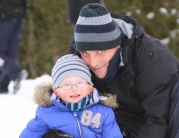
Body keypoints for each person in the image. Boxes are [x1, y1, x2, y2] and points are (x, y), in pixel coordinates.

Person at [69, 3, 179, 138]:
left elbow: (157, 119)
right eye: (86, 53)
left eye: (100, 51)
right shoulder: (77, 59)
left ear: (117, 45)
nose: (93, 62)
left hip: (163, 122)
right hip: (116, 123)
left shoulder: (151, 58)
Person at [19, 54, 123, 138]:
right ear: (56, 91)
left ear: (90, 88)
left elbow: (113, 135)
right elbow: (31, 133)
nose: (74, 88)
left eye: (80, 83)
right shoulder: (47, 112)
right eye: (66, 85)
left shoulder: (103, 111)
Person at [0, 0, 28, 94]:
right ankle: (3, 85)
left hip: (4, 16)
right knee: (10, 53)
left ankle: (15, 73)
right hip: (18, 15)